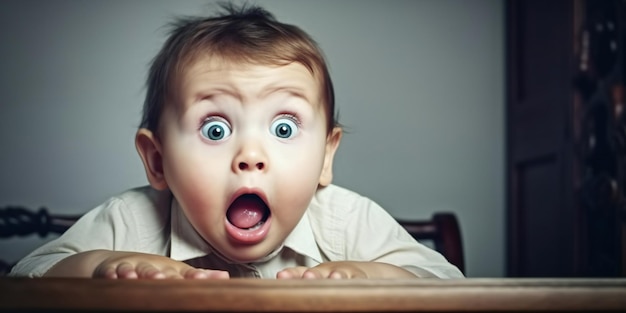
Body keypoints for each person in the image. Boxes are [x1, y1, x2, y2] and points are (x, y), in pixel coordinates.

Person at [9, 3, 464, 279]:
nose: (250, 156)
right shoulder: (133, 219)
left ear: (327, 156)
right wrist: (102, 267)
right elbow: (26, 276)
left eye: (284, 128)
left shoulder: (346, 221)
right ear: (158, 161)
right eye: (215, 130)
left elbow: (446, 283)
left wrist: (372, 276)